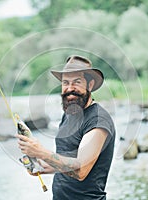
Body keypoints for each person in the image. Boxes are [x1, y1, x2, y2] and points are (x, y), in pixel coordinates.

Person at [17, 55, 116, 200]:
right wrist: (42, 166)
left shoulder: (98, 120)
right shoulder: (69, 114)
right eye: (65, 83)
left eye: (76, 82)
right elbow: (66, 162)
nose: (70, 88)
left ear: (90, 85)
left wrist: (41, 151)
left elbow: (80, 170)